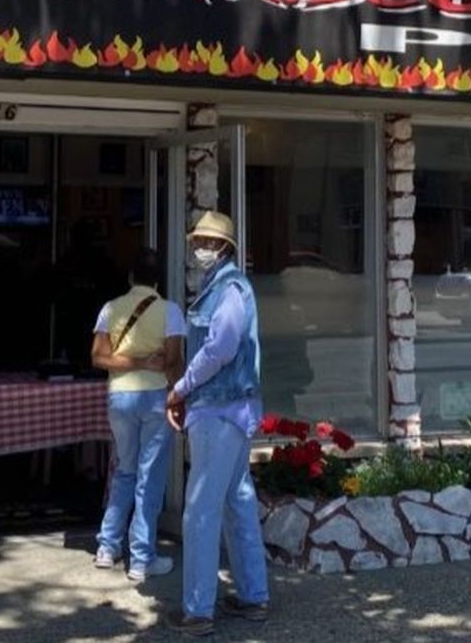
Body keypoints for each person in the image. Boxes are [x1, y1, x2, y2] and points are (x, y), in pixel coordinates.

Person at [165, 211, 269, 637]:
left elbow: (219, 348)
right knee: (237, 501)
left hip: (217, 411)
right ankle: (252, 595)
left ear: (225, 248)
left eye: (209, 241)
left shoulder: (227, 289)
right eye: (198, 241)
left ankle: (198, 611)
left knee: (200, 511)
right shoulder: (228, 286)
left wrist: (181, 389)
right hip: (235, 411)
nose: (201, 248)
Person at [91, 246, 185, 581]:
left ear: (131, 277)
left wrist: (130, 361)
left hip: (120, 396)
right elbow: (173, 360)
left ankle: (107, 546)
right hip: (156, 396)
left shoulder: (110, 308)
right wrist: (175, 392)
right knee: (151, 477)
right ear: (159, 281)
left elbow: (98, 357)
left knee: (125, 471)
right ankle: (142, 558)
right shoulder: (171, 311)